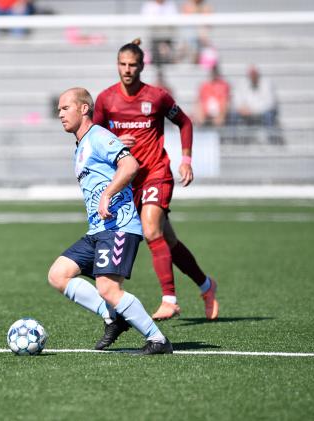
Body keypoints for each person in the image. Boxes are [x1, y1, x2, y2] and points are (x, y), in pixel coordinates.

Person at [93, 39, 218, 327]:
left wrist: (186, 159)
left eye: (132, 65)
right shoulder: (106, 100)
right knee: (168, 242)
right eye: (122, 64)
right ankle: (206, 286)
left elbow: (185, 122)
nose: (127, 70)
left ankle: (169, 300)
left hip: (156, 173)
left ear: (142, 66)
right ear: (117, 65)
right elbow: (93, 136)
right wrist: (113, 141)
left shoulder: (157, 97)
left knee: (150, 229)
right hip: (127, 180)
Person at [48, 87, 172, 354]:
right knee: (58, 275)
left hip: (119, 227)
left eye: (65, 108)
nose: (60, 114)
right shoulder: (81, 144)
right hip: (98, 229)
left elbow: (130, 165)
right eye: (58, 109)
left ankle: (158, 340)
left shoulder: (98, 136)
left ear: (84, 108)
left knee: (108, 288)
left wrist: (108, 193)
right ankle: (113, 317)